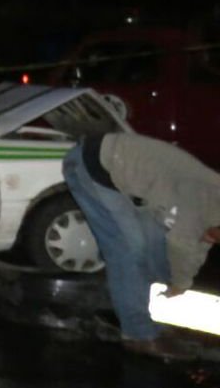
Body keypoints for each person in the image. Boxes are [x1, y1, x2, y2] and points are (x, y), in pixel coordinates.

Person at [63, 132, 220, 360]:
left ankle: (137, 305)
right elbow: (183, 241)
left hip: (121, 173)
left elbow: (198, 240)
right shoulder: (200, 200)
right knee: (128, 249)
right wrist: (180, 282)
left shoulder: (211, 207)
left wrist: (179, 282)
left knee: (154, 241)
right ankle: (138, 335)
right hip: (94, 165)